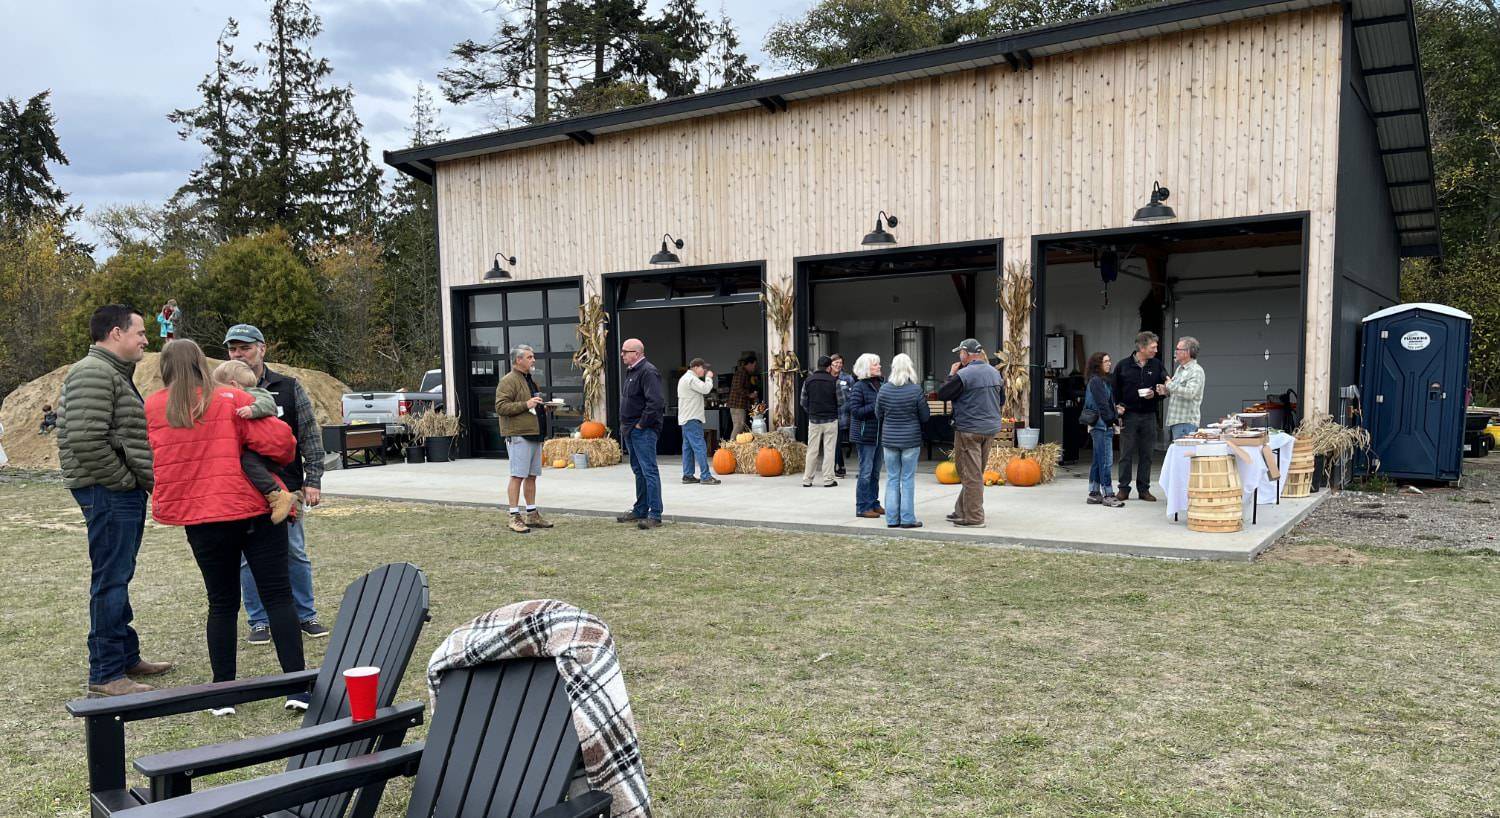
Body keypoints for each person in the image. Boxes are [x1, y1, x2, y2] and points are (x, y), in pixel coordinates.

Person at [146, 339, 307, 715]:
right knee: (278, 597)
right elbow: (281, 445)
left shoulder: (154, 406)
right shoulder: (230, 399)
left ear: (165, 368)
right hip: (252, 510)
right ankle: (297, 687)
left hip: (202, 518)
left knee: (220, 603)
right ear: (204, 363)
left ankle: (223, 692)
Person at [56, 304, 172, 697]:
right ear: (116, 333)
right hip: (108, 491)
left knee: (118, 574)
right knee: (111, 579)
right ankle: (106, 675)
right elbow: (86, 440)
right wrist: (124, 481)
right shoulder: (93, 372)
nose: (145, 340)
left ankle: (125, 656)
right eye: (139, 333)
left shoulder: (111, 373)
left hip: (116, 490)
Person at [224, 324, 330, 644]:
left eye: (245, 348)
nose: (239, 354)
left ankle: (305, 615)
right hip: (242, 488)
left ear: (262, 349)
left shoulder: (287, 387)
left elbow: (309, 435)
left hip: (287, 487)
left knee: (294, 553)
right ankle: (259, 621)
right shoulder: (222, 391)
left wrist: (313, 480)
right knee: (245, 559)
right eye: (233, 349)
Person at [211, 360, 298, 524]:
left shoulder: (256, 394)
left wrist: (252, 409)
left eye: (220, 388)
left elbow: (268, 404)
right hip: (264, 450)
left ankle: (277, 495)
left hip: (266, 453)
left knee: (248, 462)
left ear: (233, 385)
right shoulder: (243, 396)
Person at [937, 339, 1004, 527]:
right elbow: (1001, 400)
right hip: (990, 429)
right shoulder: (995, 373)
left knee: (970, 473)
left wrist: (951, 374)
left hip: (969, 430)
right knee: (974, 471)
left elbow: (942, 394)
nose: (959, 356)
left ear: (966, 354)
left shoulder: (964, 375)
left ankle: (974, 517)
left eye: (960, 353)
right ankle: (962, 510)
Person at [495, 344, 559, 533]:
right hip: (518, 435)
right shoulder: (508, 381)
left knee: (531, 476)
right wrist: (526, 403)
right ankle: (514, 516)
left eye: (533, 357)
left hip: (534, 434)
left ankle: (531, 514)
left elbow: (530, 406)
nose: (533, 360)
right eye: (529, 357)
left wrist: (543, 407)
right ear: (518, 360)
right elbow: (501, 407)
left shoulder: (529, 380)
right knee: (517, 476)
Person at [1112, 330, 1167, 502]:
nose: (1155, 350)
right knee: (1126, 453)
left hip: (1149, 415)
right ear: (1142, 347)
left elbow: (1165, 387)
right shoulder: (1123, 366)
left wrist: (1157, 395)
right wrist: (1117, 407)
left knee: (1147, 454)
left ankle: (1144, 489)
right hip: (1129, 415)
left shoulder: (1157, 365)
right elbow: (1114, 391)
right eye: (1153, 347)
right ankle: (1123, 489)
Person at [876, 353, 930, 529]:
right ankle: (907, 519)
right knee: (907, 479)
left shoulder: (884, 389)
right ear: (910, 368)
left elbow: (878, 414)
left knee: (892, 478)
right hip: (910, 440)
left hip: (889, 439)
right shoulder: (915, 390)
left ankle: (891, 519)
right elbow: (925, 416)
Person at [617, 338, 665, 529]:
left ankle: (655, 514)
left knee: (649, 471)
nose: (622, 354)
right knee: (638, 470)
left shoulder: (648, 371)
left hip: (642, 430)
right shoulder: (632, 372)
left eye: (625, 351)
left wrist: (641, 424)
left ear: (636, 353)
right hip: (630, 429)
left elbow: (655, 402)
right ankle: (640, 509)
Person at [846, 353, 885, 519]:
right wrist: (875, 405)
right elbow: (855, 411)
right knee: (866, 472)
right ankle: (862, 507)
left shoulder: (883, 383)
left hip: (879, 434)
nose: (879, 366)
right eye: (875, 364)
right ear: (866, 368)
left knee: (876, 472)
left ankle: (874, 503)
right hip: (865, 436)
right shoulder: (859, 387)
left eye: (878, 364)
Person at [1084, 352, 1125, 507]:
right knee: (1106, 461)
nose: (1109, 364)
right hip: (1101, 426)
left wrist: (1114, 410)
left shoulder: (1102, 381)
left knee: (1098, 459)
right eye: (1106, 361)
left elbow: (1105, 404)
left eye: (1109, 360)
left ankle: (1094, 493)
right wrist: (1114, 417)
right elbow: (1103, 405)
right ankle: (1108, 494)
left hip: (1100, 425)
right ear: (1098, 364)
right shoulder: (1097, 382)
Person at [677, 357, 721, 486]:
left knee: (688, 448)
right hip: (692, 419)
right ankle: (705, 476)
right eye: (703, 368)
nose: (705, 370)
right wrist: (709, 377)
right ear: (696, 367)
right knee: (700, 447)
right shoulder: (691, 379)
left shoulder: (684, 378)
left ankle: (688, 475)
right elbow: (706, 389)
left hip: (685, 419)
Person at [800, 355, 841, 488]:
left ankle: (807, 479)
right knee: (829, 450)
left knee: (812, 450)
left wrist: (811, 411)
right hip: (830, 420)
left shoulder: (808, 381)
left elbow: (803, 402)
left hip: (814, 420)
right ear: (829, 367)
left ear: (818, 366)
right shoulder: (834, 381)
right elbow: (842, 401)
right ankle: (828, 479)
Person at [1164, 336, 1206, 441]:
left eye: (1178, 349)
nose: (1175, 352)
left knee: (1184, 455)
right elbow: (1176, 390)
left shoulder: (1196, 371)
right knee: (1180, 455)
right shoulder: (1180, 369)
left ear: (1187, 352)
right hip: (1177, 421)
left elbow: (1190, 393)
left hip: (1185, 422)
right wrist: (1165, 390)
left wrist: (1170, 385)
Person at [831, 353, 855, 478]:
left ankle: (839, 466)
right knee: (835, 442)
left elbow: (855, 396)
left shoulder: (848, 378)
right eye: (836, 363)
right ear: (831, 364)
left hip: (844, 416)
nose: (838, 365)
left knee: (837, 441)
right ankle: (839, 466)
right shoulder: (827, 378)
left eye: (840, 363)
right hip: (829, 415)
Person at [727, 354, 760, 438]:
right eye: (754, 365)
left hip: (739, 405)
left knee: (741, 427)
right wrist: (750, 395)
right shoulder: (741, 373)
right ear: (749, 364)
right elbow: (737, 388)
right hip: (737, 405)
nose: (755, 368)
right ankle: (731, 446)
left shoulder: (744, 373)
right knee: (739, 426)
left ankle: (737, 448)